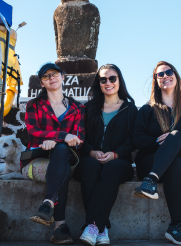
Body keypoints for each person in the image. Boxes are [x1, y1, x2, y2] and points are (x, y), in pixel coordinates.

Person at [132, 61, 181, 245]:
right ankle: (176, 225)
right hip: (149, 162)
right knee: (173, 163)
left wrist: (178, 137)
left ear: (176, 76)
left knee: (176, 144)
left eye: (168, 72)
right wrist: (160, 142)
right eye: (160, 75)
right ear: (156, 81)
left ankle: (151, 182)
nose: (165, 76)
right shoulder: (147, 109)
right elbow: (136, 139)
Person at [24, 63, 85, 245]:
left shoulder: (78, 108)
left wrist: (58, 141)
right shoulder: (33, 105)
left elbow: (79, 138)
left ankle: (48, 204)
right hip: (37, 158)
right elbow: (33, 132)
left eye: (55, 74)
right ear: (41, 83)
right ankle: (60, 226)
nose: (51, 78)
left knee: (61, 152)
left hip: (66, 157)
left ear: (63, 77)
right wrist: (62, 136)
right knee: (62, 158)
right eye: (46, 76)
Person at [76, 64, 138, 245]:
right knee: (89, 166)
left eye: (112, 78)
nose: (108, 83)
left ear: (119, 81)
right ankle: (101, 228)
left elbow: (133, 140)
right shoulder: (88, 108)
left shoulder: (130, 109)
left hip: (120, 163)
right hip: (90, 159)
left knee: (110, 168)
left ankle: (93, 224)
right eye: (103, 79)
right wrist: (92, 152)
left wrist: (116, 154)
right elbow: (81, 137)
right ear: (99, 83)